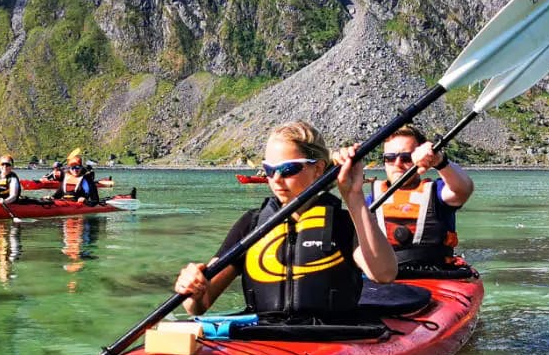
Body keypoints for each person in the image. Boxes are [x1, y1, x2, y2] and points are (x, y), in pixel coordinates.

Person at [174, 121, 396, 320]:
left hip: (332, 340)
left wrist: (353, 195)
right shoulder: (251, 224)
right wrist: (192, 288)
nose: (276, 179)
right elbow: (199, 306)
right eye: (269, 170)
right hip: (265, 340)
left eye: (288, 169)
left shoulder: (342, 223)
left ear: (318, 168)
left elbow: (384, 274)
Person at [367, 124, 473, 273]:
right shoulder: (371, 200)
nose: (397, 164)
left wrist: (439, 161)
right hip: (386, 278)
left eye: (406, 158)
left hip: (436, 275)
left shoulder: (438, 193)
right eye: (389, 158)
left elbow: (463, 190)